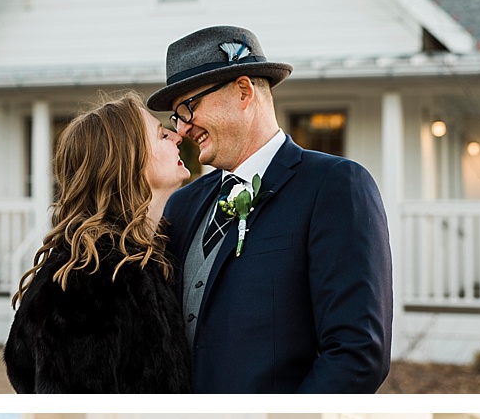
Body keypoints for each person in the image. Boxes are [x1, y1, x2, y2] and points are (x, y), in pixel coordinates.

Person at [149, 25, 393, 393]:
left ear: (244, 92)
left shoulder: (335, 187)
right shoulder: (181, 205)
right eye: (177, 116)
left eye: (189, 107)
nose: (182, 129)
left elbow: (356, 354)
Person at [4, 91, 193, 393]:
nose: (177, 136)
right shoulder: (87, 282)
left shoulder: (147, 259)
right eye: (160, 136)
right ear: (128, 161)